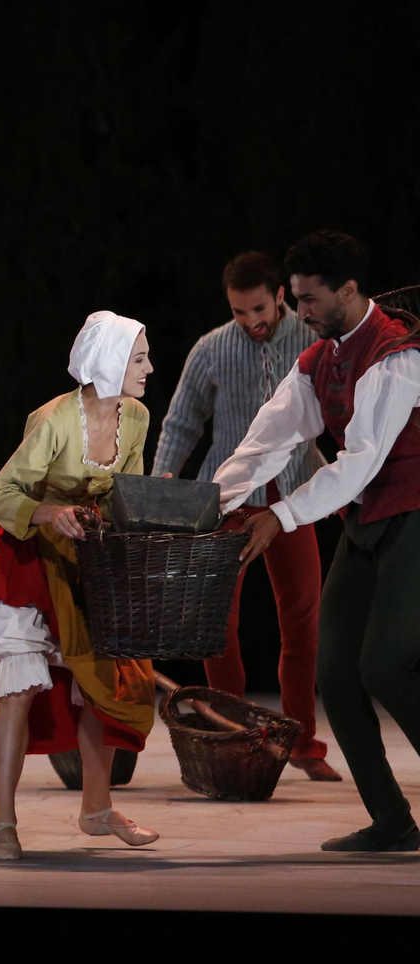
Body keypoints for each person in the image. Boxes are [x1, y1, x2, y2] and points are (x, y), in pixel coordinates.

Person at [215, 230, 420, 852]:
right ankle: (392, 821)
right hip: (366, 524)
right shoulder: (318, 360)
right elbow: (265, 442)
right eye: (296, 297)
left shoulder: (396, 354)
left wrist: (282, 514)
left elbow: (360, 460)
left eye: (308, 299)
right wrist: (209, 504)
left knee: (386, 666)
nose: (297, 310)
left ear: (347, 291)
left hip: (414, 516)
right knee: (335, 672)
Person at [0, 311, 162, 861]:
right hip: (25, 554)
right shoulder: (55, 420)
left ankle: (97, 809)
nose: (149, 368)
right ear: (109, 362)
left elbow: (125, 490)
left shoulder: (136, 418)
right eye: (139, 359)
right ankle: (2, 822)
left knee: (101, 678)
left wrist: (143, 504)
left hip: (86, 556)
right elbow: (2, 494)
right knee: (19, 682)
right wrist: (49, 512)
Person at [152, 252, 337, 781]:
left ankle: (300, 743)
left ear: (280, 296)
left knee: (302, 620)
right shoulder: (211, 348)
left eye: (259, 308)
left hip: (291, 498)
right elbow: (181, 422)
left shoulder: (313, 340)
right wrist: (162, 487)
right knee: (217, 624)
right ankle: (231, 734)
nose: (251, 320)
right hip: (228, 501)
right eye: (238, 311)